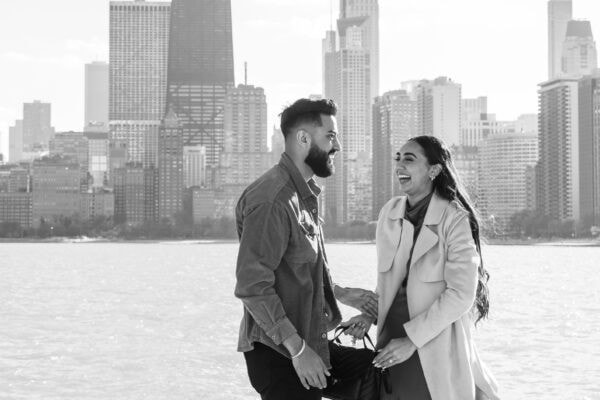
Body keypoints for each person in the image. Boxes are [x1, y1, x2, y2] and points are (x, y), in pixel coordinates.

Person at [234, 98, 378, 400]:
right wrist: (299, 350)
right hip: (281, 353)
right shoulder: (272, 200)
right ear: (303, 139)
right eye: (330, 136)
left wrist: (341, 293)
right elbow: (253, 287)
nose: (337, 145)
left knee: (378, 372)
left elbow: (296, 269)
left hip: (311, 339)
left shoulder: (304, 196)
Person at [344, 136, 500, 399]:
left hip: (433, 348)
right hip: (389, 350)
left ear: (434, 170)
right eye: (398, 159)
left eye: (409, 159)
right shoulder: (389, 213)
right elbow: (387, 284)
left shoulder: (455, 217)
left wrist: (412, 341)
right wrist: (369, 316)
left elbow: (461, 293)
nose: (399, 166)